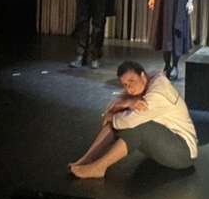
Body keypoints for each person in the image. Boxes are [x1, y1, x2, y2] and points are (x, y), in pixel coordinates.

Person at [68, 60, 198, 179]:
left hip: (183, 153)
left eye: (132, 81)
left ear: (142, 76)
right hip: (166, 143)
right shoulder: (147, 80)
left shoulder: (157, 94)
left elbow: (126, 121)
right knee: (121, 117)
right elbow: (113, 108)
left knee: (136, 126)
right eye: (125, 84)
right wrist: (125, 103)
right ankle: (87, 158)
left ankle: (99, 168)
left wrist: (114, 114)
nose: (129, 88)